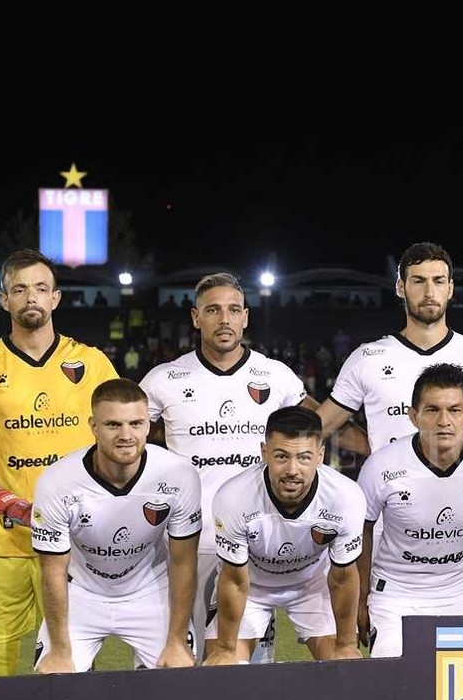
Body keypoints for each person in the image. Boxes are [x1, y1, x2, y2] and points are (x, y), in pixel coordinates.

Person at [139, 272, 360, 665]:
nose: (224, 319)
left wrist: (380, 447)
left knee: (250, 668)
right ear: (195, 318)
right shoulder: (164, 379)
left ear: (245, 317)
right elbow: (129, 439)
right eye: (212, 310)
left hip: (259, 540)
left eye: (233, 310)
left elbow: (317, 425)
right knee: (184, 659)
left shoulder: (274, 375)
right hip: (192, 542)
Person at [0, 247, 119, 677]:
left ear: (55, 298)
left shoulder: (92, 362)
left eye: (41, 288)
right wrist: (12, 506)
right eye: (19, 289)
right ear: (4, 300)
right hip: (0, 539)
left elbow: (121, 439)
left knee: (71, 656)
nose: (31, 297)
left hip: (76, 537)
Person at [315, 241, 463, 456]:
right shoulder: (366, 359)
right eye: (418, 281)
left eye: (438, 281)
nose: (429, 292)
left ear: (450, 288)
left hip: (458, 489)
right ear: (400, 287)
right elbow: (319, 427)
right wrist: (371, 447)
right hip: (388, 490)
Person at [31, 379, 203, 673]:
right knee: (55, 679)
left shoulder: (179, 475)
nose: (126, 435)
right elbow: (53, 572)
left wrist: (176, 641)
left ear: (148, 426)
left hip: (150, 590)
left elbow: (184, 562)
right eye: (113, 425)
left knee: (178, 678)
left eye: (136, 424)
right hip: (81, 593)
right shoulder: (56, 483)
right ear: (94, 427)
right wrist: (59, 650)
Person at [355, 363, 463, 657]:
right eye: (432, 410)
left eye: (454, 410)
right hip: (396, 594)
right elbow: (361, 531)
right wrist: (360, 598)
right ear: (413, 415)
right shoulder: (381, 466)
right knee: (395, 676)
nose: (444, 421)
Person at [205, 406, 367, 665]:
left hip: (313, 585)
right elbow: (234, 581)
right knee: (223, 669)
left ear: (320, 455)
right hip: (252, 587)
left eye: (304, 457)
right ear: (264, 452)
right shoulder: (234, 497)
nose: (292, 469)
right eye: (281, 456)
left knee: (346, 666)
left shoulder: (346, 497)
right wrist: (224, 650)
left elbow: (343, 577)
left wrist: (347, 646)